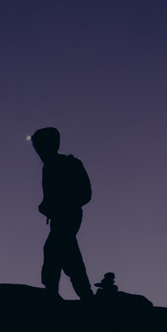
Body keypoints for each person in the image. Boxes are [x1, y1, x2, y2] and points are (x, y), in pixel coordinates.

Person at [31, 127, 94, 300]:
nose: (38, 151)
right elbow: (49, 197)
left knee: (55, 248)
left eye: (39, 145)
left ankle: (56, 290)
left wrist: (65, 204)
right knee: (65, 250)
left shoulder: (70, 164)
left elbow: (85, 193)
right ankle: (83, 293)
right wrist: (46, 206)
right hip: (60, 217)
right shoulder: (48, 167)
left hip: (70, 215)